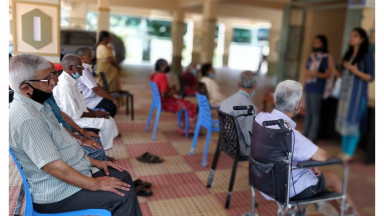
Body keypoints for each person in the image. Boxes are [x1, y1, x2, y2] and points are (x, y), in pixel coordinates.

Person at [9, 54, 142, 215]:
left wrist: (94, 162)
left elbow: (63, 144)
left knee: (123, 176)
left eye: (52, 76)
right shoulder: (28, 119)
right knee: (123, 196)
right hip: (57, 193)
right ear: (25, 88)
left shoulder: (38, 105)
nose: (53, 82)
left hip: (72, 174)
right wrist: (95, 184)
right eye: (46, 80)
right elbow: (54, 168)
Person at [255, 80, 358, 215]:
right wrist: (310, 160)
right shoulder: (290, 135)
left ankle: (321, 207)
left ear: (276, 99)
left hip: (263, 183)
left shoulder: (260, 118)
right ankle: (354, 213)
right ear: (297, 106)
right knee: (331, 177)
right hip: (287, 189)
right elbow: (322, 156)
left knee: (317, 178)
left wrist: (308, 161)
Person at [53, 54, 119, 150]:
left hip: (77, 115)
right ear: (71, 68)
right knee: (107, 123)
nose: (83, 69)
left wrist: (94, 112)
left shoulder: (72, 80)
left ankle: (102, 150)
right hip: (72, 121)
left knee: (110, 119)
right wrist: (95, 114)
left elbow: (81, 105)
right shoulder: (65, 85)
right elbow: (73, 114)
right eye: (80, 66)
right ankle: (103, 151)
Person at [45, 62, 106, 161]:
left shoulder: (48, 94)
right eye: (54, 74)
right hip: (58, 145)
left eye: (57, 73)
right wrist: (80, 140)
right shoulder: (40, 102)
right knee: (96, 149)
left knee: (95, 140)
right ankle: (94, 170)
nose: (57, 78)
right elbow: (58, 126)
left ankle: (100, 167)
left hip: (68, 133)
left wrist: (81, 131)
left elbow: (61, 114)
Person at [330, 27, 374, 161]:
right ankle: (344, 152)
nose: (352, 38)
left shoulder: (366, 56)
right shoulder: (348, 55)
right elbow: (342, 75)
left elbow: (370, 77)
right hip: (345, 97)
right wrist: (332, 68)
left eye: (355, 36)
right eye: (351, 35)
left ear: (362, 39)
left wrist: (355, 71)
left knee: (353, 124)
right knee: (344, 123)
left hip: (357, 98)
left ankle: (349, 153)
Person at [150, 58, 197, 134]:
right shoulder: (162, 76)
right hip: (165, 103)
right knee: (191, 106)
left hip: (157, 102)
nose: (168, 66)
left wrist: (171, 89)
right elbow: (164, 94)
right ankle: (188, 129)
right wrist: (174, 92)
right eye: (166, 65)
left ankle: (185, 127)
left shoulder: (154, 75)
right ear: (162, 66)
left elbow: (160, 90)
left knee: (187, 102)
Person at [220, 71, 258, 156]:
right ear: (255, 85)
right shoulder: (250, 108)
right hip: (240, 148)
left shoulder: (226, 101)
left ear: (238, 84)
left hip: (226, 144)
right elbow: (250, 140)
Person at [303, 35, 332, 143]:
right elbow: (306, 70)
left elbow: (327, 74)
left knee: (315, 114)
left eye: (318, 42)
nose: (316, 44)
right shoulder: (311, 56)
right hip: (309, 87)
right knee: (308, 113)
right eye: (314, 42)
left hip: (318, 88)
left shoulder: (325, 57)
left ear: (323, 44)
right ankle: (304, 135)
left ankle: (313, 137)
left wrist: (314, 73)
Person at [75, 47, 119, 117]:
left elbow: (96, 86)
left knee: (109, 101)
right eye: (89, 56)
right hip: (88, 102)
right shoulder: (82, 69)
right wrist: (112, 99)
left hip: (92, 98)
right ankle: (103, 125)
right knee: (111, 106)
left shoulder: (82, 68)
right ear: (81, 58)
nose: (91, 58)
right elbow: (96, 89)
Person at [96, 30, 124, 105]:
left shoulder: (106, 47)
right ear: (104, 38)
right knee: (109, 87)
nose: (109, 39)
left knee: (113, 87)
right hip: (107, 72)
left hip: (110, 71)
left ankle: (114, 103)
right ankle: (111, 103)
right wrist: (117, 66)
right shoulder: (101, 47)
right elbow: (109, 59)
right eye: (108, 38)